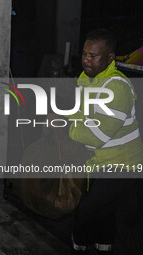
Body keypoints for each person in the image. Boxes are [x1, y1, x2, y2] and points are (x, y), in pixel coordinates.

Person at [67, 29, 143, 254]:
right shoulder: (86, 79)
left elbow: (95, 137)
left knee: (87, 209)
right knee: (104, 208)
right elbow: (80, 113)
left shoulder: (116, 88)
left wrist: (66, 128)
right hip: (100, 160)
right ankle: (104, 244)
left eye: (94, 56)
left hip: (123, 164)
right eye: (84, 54)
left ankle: (79, 243)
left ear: (110, 58)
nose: (86, 60)